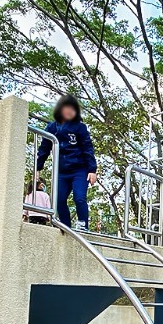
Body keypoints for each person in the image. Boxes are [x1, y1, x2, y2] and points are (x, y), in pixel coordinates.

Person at [37, 94, 98, 230]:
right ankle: (65, 225)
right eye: (67, 108)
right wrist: (38, 167)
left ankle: (83, 223)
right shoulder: (52, 128)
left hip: (79, 170)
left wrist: (92, 170)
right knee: (59, 199)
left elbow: (88, 148)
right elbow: (44, 149)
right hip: (62, 171)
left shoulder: (79, 127)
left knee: (79, 197)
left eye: (73, 109)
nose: (70, 111)